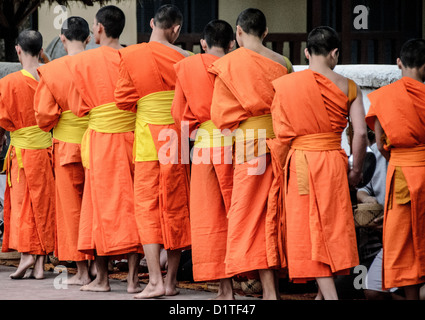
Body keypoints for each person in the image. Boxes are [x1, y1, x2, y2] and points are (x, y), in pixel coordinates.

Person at [270, 26, 367, 300]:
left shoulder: (288, 86)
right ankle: (325, 295)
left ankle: (328, 296)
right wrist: (356, 169)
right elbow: (360, 133)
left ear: (306, 52)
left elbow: (280, 132)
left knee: (308, 228)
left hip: (301, 161)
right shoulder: (349, 86)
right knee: (331, 227)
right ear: (335, 53)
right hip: (334, 164)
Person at [209, 8, 292, 300]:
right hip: (279, 145)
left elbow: (220, 116)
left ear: (238, 31)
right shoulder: (283, 63)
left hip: (249, 145)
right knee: (274, 214)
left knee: (247, 216)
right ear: (266, 33)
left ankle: (261, 290)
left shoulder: (230, 63)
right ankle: (272, 289)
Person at [114, 4, 191, 299]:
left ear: (151, 24)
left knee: (147, 207)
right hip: (177, 136)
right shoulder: (185, 58)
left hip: (147, 137)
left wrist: (146, 100)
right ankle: (170, 282)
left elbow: (122, 99)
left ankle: (155, 282)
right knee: (175, 206)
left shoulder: (130, 55)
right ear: (176, 29)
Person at [64, 5, 142, 293]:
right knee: (132, 205)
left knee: (99, 207)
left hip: (100, 142)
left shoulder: (83, 62)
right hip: (132, 138)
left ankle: (103, 279)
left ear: (98, 28)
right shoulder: (132, 57)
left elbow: (77, 107)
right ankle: (134, 280)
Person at [171, 19, 235, 299]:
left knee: (210, 217)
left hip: (206, 146)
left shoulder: (188, 67)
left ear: (203, 44)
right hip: (240, 145)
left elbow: (179, 114)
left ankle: (225, 289)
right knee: (239, 215)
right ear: (232, 44)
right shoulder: (242, 64)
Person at [33, 17, 92, 286]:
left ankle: (82, 269)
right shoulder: (99, 65)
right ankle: (99, 265)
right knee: (96, 205)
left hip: (67, 145)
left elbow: (44, 115)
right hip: (98, 141)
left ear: (63, 38)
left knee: (71, 210)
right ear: (89, 38)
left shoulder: (54, 69)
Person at [365, 38, 425, 300]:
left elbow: (379, 144)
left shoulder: (385, 98)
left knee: (403, 242)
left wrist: (401, 157)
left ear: (399, 63)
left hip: (400, 175)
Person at [0, 30, 56, 280]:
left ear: (18, 50)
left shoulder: (8, 83)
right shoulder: (50, 77)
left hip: (21, 152)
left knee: (23, 206)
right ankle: (40, 264)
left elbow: (2, 121)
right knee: (43, 206)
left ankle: (26, 256)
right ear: (41, 48)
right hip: (46, 150)